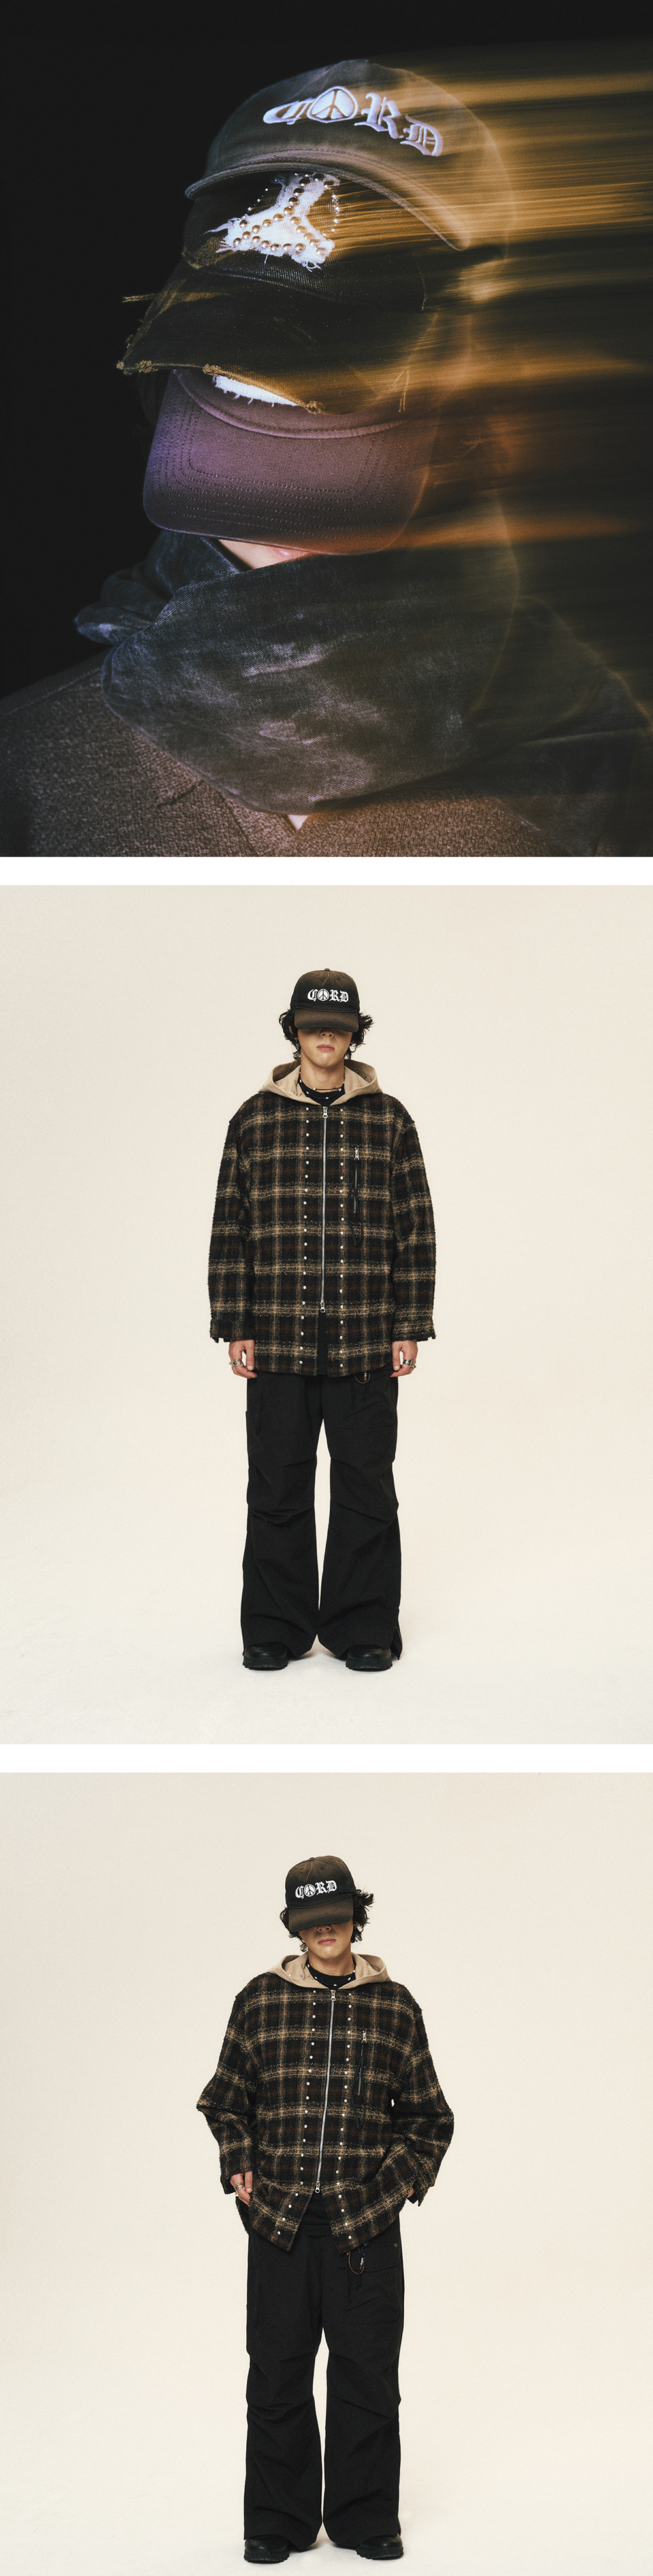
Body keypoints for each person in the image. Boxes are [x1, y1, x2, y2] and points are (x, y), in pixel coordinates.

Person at [3, 61, 652, 857]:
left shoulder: (599, 765)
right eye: (242, 400)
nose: (283, 520)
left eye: (344, 419)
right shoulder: (28, 764)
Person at [197, 1849, 453, 2562]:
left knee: (367, 2377)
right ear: (296, 1926)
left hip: (365, 2229)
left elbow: (429, 2120)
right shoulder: (259, 2001)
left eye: (336, 1916)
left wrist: (391, 2190)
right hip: (278, 2223)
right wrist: (238, 2158)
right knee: (276, 2376)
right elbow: (225, 2100)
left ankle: (365, 2518)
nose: (325, 1930)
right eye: (312, 1920)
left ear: (354, 1917)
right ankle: (277, 2522)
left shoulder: (395, 2007)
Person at [209, 961, 436, 1673]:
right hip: (277, 1338)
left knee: (366, 1487)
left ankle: (362, 1625)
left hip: (366, 1339)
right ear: (295, 1031)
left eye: (338, 1026)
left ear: (354, 1034)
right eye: (314, 1026)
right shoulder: (253, 1120)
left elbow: (415, 1226)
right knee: (276, 1486)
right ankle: (276, 1627)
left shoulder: (390, 1120)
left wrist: (409, 1322)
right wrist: (234, 1322)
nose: (326, 1037)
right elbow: (230, 1225)